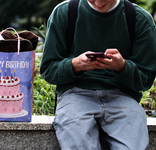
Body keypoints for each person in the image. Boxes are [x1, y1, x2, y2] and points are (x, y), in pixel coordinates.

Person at [40, 0, 156, 149]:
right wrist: (75, 65)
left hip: (123, 97)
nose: (98, 2)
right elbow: (48, 70)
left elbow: (145, 79)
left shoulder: (139, 19)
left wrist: (122, 67)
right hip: (75, 96)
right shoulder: (64, 13)